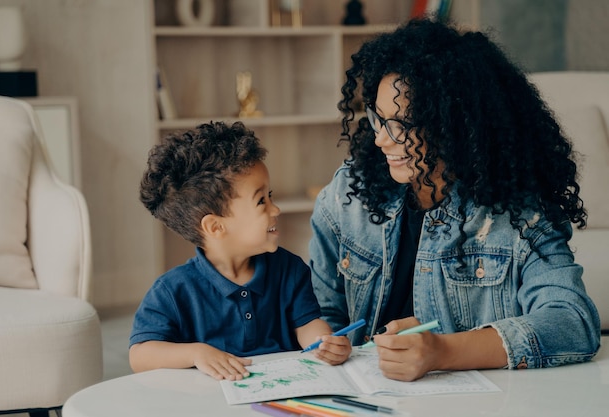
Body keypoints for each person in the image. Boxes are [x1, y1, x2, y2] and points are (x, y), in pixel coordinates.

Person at [309, 18, 601, 382]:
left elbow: (572, 322)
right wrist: (327, 345)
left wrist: (443, 352)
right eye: (378, 119)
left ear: (453, 126)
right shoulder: (348, 196)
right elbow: (320, 313)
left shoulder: (518, 216)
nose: (382, 139)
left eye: (401, 125)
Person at [130, 121, 351, 381]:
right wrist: (196, 353)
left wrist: (324, 342)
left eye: (270, 195)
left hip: (281, 391)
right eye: (261, 201)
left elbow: (306, 324)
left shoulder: (289, 269)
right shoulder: (173, 290)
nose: (275, 209)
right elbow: (140, 355)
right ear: (215, 226)